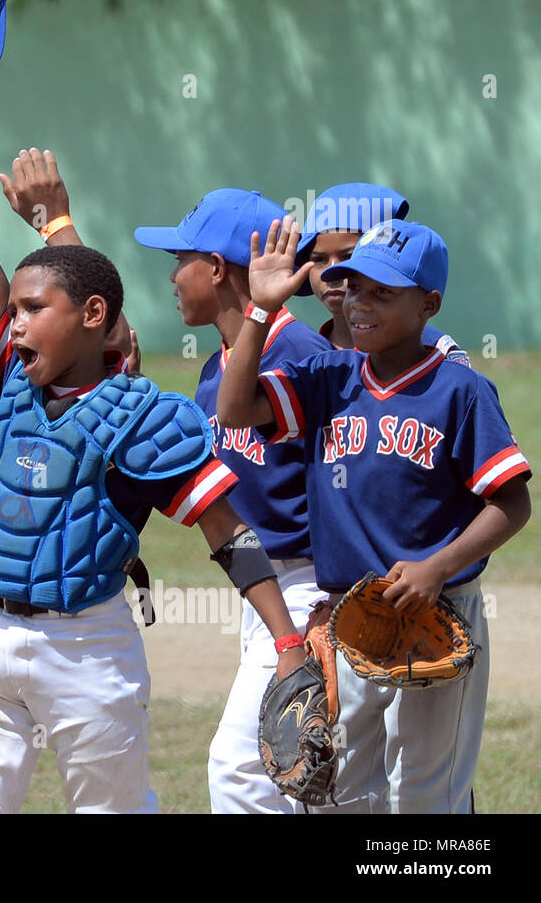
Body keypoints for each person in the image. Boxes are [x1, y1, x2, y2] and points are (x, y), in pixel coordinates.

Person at [0, 59, 308, 814]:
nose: (19, 321)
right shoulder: (9, 378)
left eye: (38, 308)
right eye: (19, 309)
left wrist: (288, 643)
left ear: (93, 316)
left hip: (88, 656)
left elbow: (229, 535)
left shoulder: (141, 416)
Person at [217, 216, 531, 813]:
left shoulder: (459, 390)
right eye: (353, 287)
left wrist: (440, 566)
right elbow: (235, 412)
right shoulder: (326, 378)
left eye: (383, 292)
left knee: (423, 788)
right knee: (342, 786)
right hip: (348, 611)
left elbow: (511, 501)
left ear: (428, 305)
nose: (359, 303)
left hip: (439, 607)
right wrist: (259, 313)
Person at [134, 188, 331, 813]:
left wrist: (333, 605)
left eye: (181, 257)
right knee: (306, 778)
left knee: (242, 769)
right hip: (263, 592)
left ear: (217, 268)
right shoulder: (216, 368)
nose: (172, 275)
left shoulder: (301, 354)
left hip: (309, 591)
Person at [294, 183, 470, 364]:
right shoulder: (300, 351)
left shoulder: (434, 352)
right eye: (319, 259)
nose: (331, 272)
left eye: (348, 256)